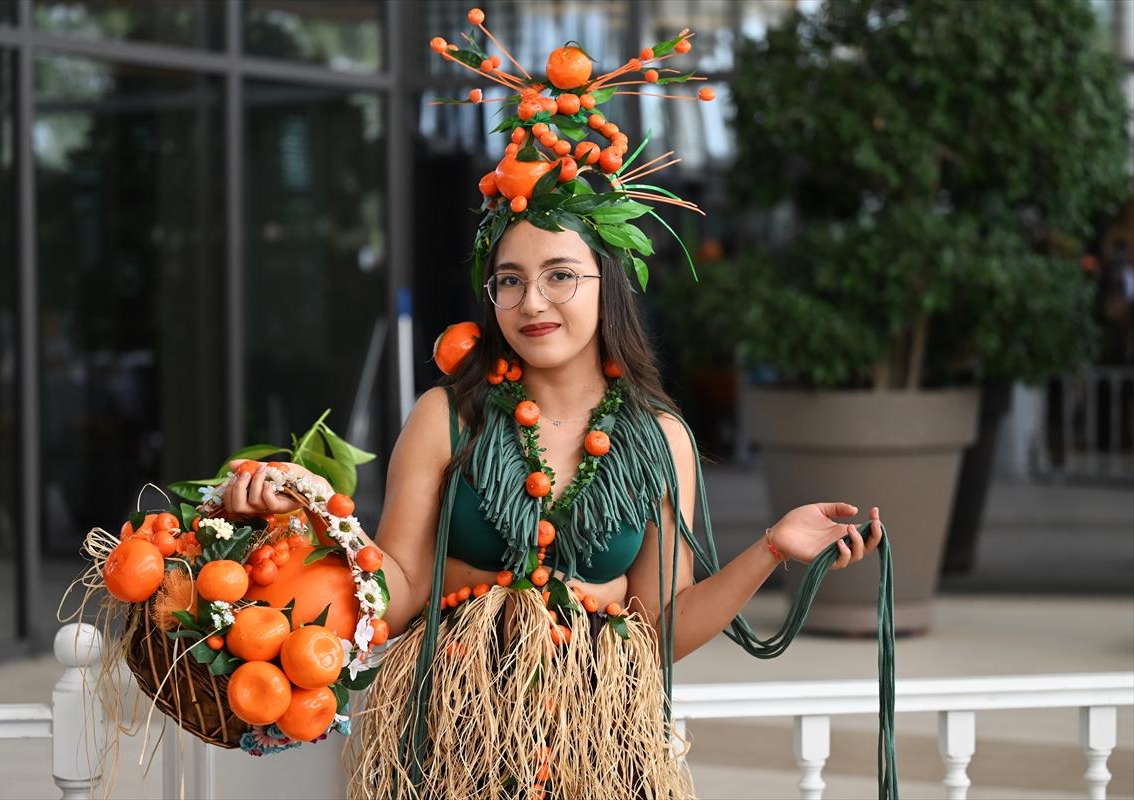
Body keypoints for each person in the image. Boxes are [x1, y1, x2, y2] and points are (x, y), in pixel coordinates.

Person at [223, 10, 887, 799]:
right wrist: (299, 520)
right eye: (510, 279)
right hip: (452, 740)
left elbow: (659, 623)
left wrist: (772, 548)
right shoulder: (448, 417)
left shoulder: (656, 436)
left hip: (596, 748)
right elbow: (396, 589)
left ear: (609, 282)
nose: (532, 301)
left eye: (560, 275)